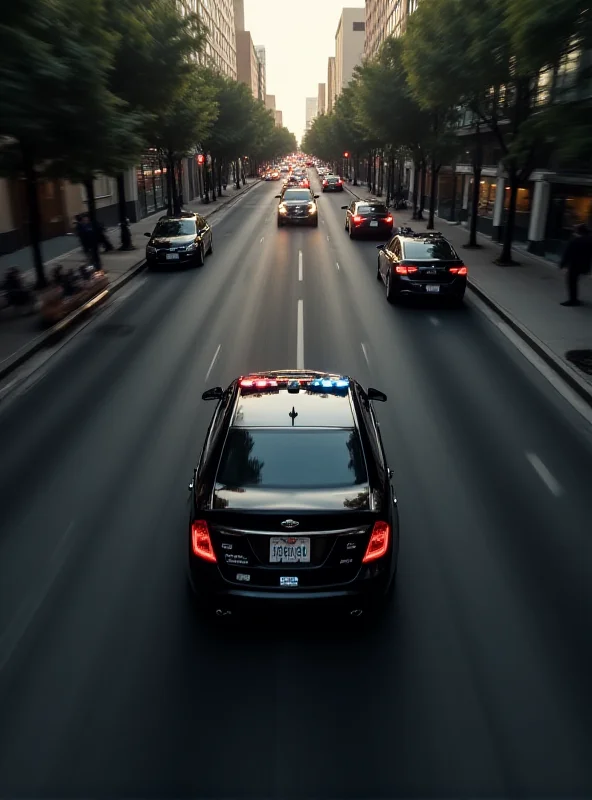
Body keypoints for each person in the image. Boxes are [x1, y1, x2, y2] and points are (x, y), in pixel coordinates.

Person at [560, 223, 592, 306]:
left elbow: (568, 253)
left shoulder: (575, 240)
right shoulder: (589, 240)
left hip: (574, 265)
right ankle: (574, 299)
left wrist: (562, 264)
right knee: (574, 281)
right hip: (584, 265)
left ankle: (573, 300)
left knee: (571, 282)